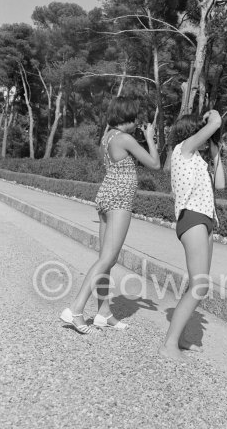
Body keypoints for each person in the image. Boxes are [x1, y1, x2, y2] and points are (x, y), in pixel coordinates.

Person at [60, 96, 160, 334]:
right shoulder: (125, 138)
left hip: (105, 196)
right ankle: (75, 309)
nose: (137, 122)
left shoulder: (108, 137)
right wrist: (149, 138)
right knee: (106, 259)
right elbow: (155, 164)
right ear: (128, 117)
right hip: (119, 201)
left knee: (107, 258)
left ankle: (103, 313)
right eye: (135, 117)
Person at [159, 109, 225, 361]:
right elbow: (216, 121)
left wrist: (216, 146)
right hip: (193, 217)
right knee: (200, 284)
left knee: (198, 283)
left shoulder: (197, 158)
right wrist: (214, 118)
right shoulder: (182, 150)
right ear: (193, 132)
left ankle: (181, 338)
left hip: (206, 219)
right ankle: (168, 345)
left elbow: (220, 184)